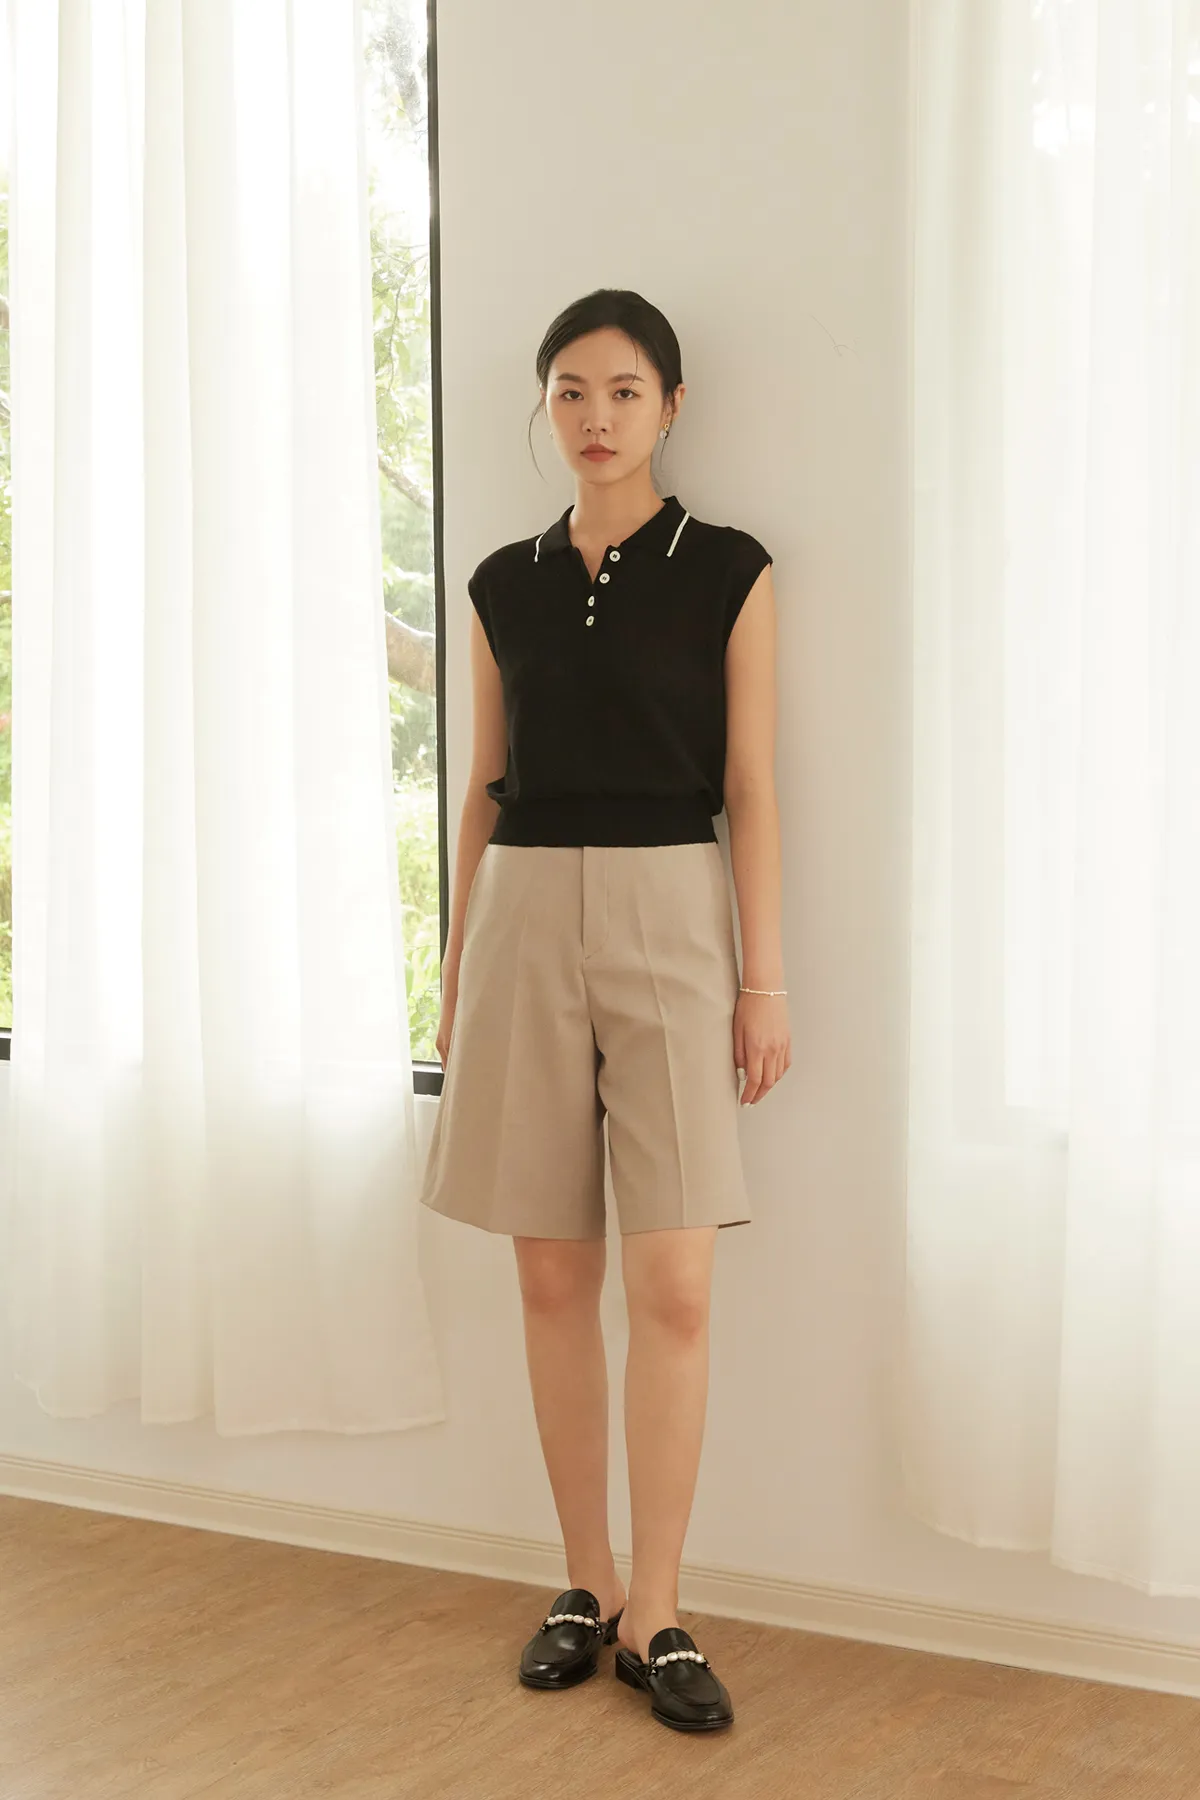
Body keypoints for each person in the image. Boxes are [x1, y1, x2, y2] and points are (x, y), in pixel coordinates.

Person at [418, 288, 789, 1732]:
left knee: (675, 1282)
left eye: (625, 391)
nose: (595, 417)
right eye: (570, 391)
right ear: (545, 406)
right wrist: (457, 969)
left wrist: (764, 980)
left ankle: (661, 1609)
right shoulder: (500, 581)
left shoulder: (731, 571)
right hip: (521, 914)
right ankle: (584, 1581)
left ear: (671, 406)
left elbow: (750, 789)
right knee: (550, 1277)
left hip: (672, 915)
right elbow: (481, 786)